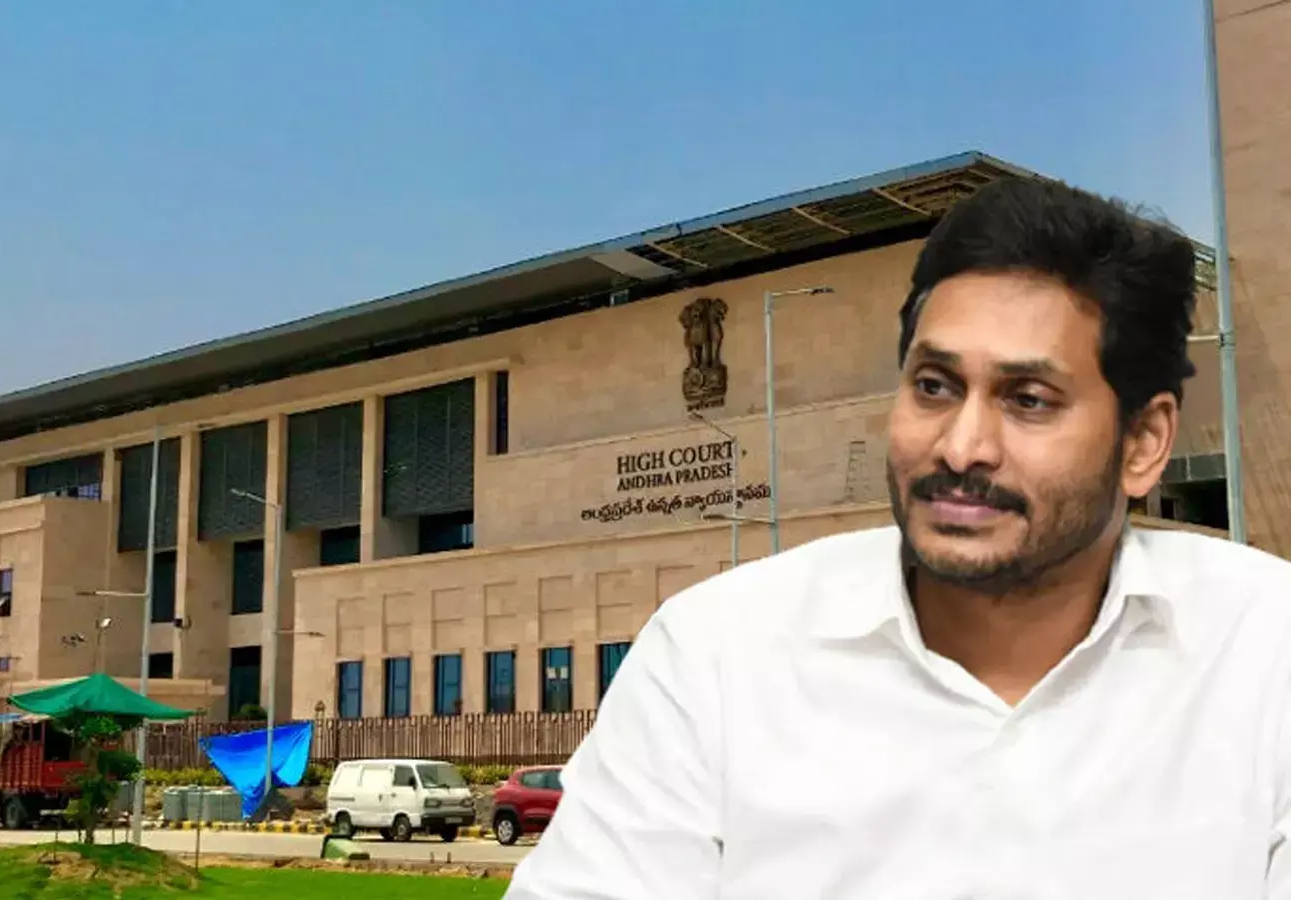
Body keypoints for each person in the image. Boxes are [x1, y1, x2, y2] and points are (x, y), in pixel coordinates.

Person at [505, 177, 1291, 899]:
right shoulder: (715, 658)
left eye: (1028, 399)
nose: (962, 446)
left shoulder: (1263, 652)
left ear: (1143, 444)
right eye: (935, 387)